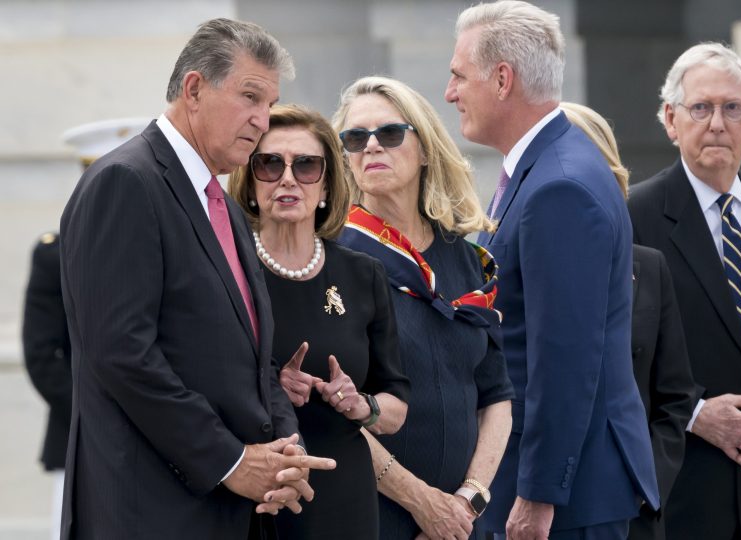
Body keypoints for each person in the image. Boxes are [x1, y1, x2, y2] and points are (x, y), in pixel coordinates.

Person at [58, 18, 336, 540]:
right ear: (193, 89)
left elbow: (254, 355)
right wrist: (232, 461)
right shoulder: (126, 181)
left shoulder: (221, 205)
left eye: (270, 103)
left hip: (228, 512)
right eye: (250, 96)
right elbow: (122, 354)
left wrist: (286, 447)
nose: (262, 120)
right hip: (152, 512)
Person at [444, 2, 660, 538]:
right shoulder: (547, 167)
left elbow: (565, 356)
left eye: (457, 76)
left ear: (501, 79)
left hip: (564, 500)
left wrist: (539, 494)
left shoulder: (559, 185)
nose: (449, 93)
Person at [332, 75, 514, 540]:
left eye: (390, 134)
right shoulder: (334, 261)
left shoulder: (464, 257)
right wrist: (422, 502)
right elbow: (329, 409)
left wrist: (466, 502)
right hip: (372, 517)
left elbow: (496, 396)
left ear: (426, 147)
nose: (371, 147)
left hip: (460, 523)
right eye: (355, 138)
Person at [227, 103, 410, 539]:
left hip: (343, 499)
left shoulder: (363, 274)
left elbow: (397, 403)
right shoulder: (226, 270)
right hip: (252, 498)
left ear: (326, 185)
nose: (287, 178)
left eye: (306, 166)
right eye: (269, 164)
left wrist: (360, 404)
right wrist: (269, 386)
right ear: (250, 184)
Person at [628, 42, 741, 540]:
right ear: (671, 119)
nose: (717, 124)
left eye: (732, 109)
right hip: (685, 494)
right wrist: (697, 415)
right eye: (701, 108)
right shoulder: (632, 218)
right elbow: (615, 358)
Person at [561, 102, 698, 540]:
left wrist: (645, 482)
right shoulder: (512, 266)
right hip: (547, 502)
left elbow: (674, 395)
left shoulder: (649, 266)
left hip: (629, 510)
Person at [21, 118, 148, 540]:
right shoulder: (54, 253)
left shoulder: (166, 250)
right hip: (80, 433)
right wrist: (99, 406)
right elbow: (42, 355)